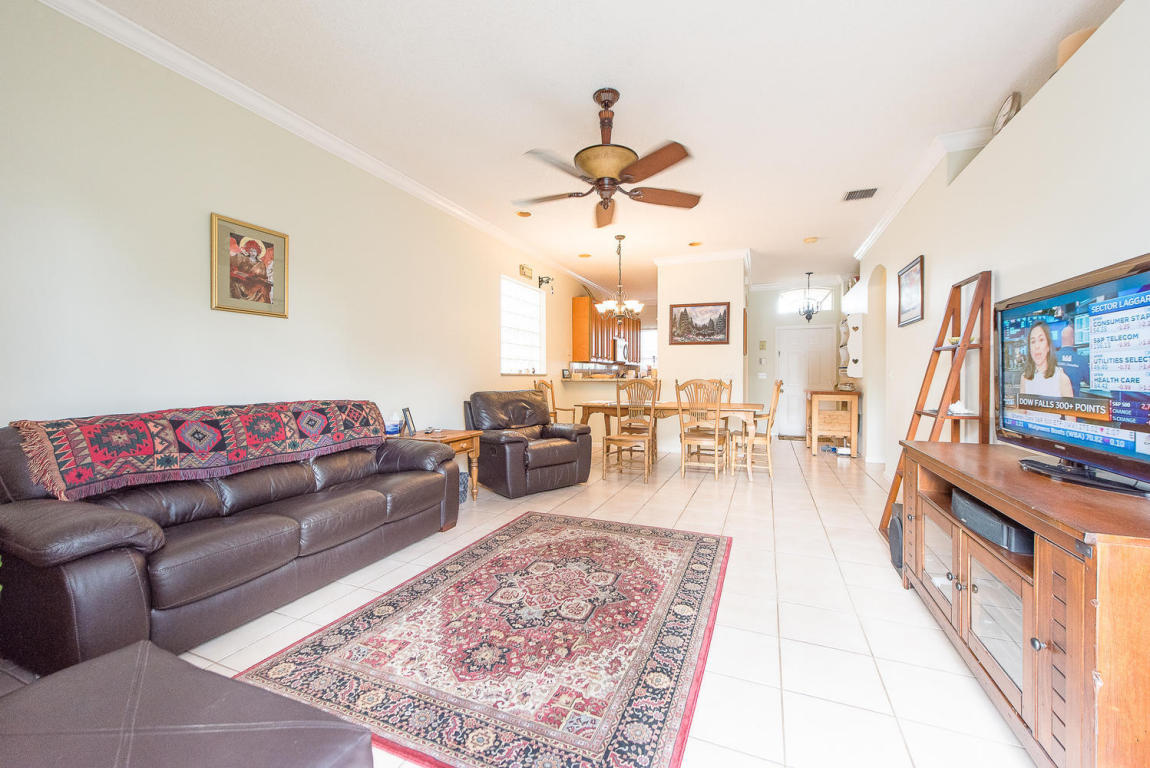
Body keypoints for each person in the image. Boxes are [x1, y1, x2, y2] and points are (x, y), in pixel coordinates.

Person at [1020, 321, 1074, 398]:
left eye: (1041, 340)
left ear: (1048, 346)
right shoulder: (1025, 378)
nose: (1037, 346)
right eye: (1033, 342)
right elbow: (1022, 406)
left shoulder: (1062, 379)